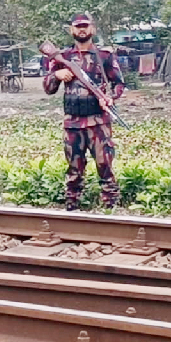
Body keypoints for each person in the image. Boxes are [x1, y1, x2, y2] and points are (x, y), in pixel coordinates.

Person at [43, 13, 126, 211]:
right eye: (78, 26)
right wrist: (57, 74)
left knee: (105, 166)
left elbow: (119, 84)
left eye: (85, 26)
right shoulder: (62, 58)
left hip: (98, 122)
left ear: (92, 29)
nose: (82, 29)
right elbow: (48, 88)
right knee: (73, 169)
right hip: (72, 123)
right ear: (72, 30)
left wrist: (109, 97)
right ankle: (72, 206)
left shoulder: (104, 56)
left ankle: (110, 208)